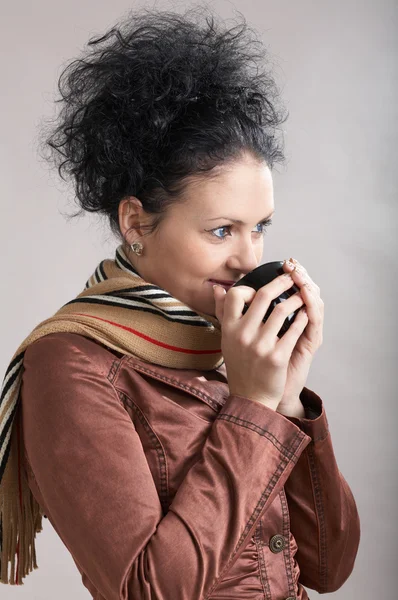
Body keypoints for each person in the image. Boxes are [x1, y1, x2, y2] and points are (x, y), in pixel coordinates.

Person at [0, 6, 360, 598]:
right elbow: (150, 589)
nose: (248, 259)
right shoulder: (69, 365)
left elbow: (328, 568)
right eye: (222, 230)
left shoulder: (223, 346)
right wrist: (253, 405)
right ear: (136, 222)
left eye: (260, 227)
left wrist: (288, 396)